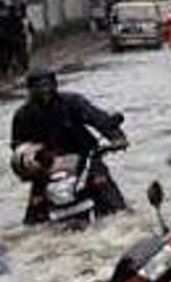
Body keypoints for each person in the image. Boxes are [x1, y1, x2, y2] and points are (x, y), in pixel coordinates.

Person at [9, 68, 128, 225]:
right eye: (39, 87)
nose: (45, 90)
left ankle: (125, 221)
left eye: (48, 85)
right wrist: (27, 159)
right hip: (46, 167)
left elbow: (98, 118)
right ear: (30, 89)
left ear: (55, 84)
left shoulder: (73, 102)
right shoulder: (23, 115)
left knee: (108, 192)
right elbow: (17, 144)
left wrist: (117, 138)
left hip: (84, 158)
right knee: (34, 213)